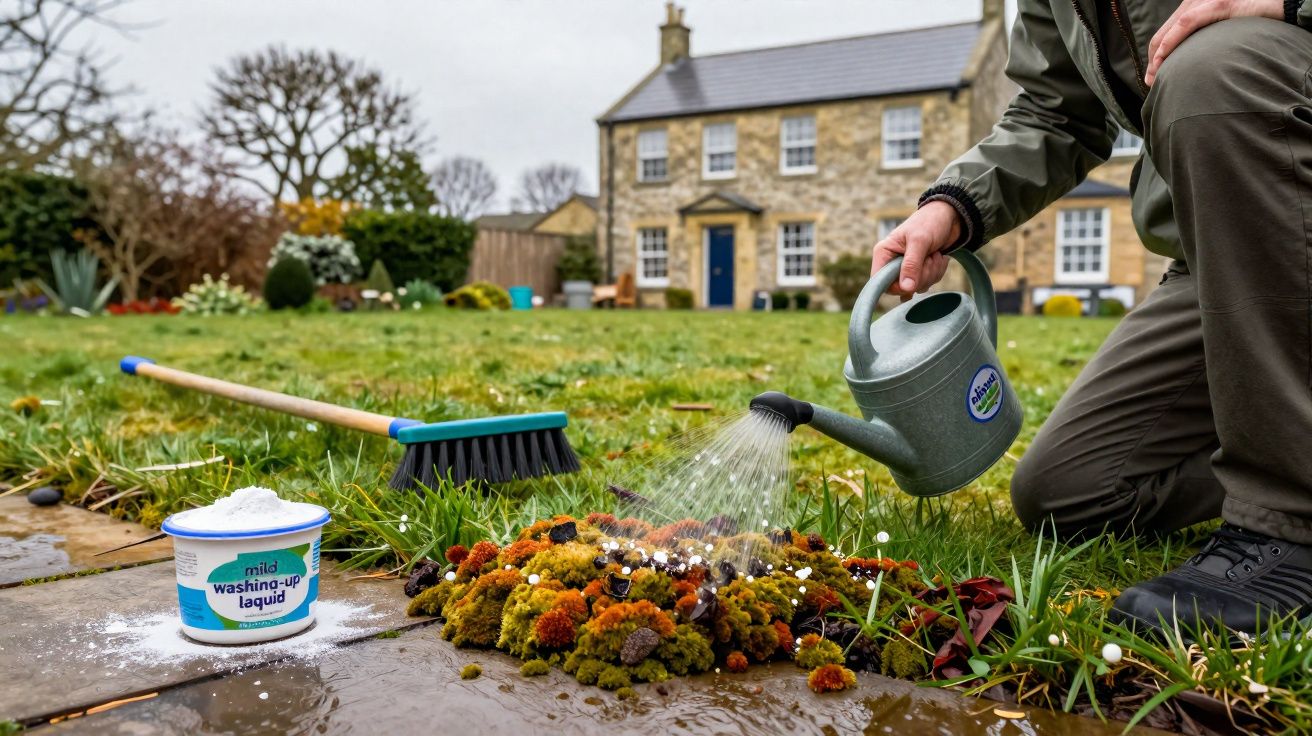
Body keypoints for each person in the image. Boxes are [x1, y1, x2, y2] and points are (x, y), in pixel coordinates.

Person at [874, 0, 1312, 634]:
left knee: (1209, 73)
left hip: (1284, 185)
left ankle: (1292, 522)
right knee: (1071, 490)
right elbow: (1056, 113)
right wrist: (954, 205)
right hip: (1219, 244)